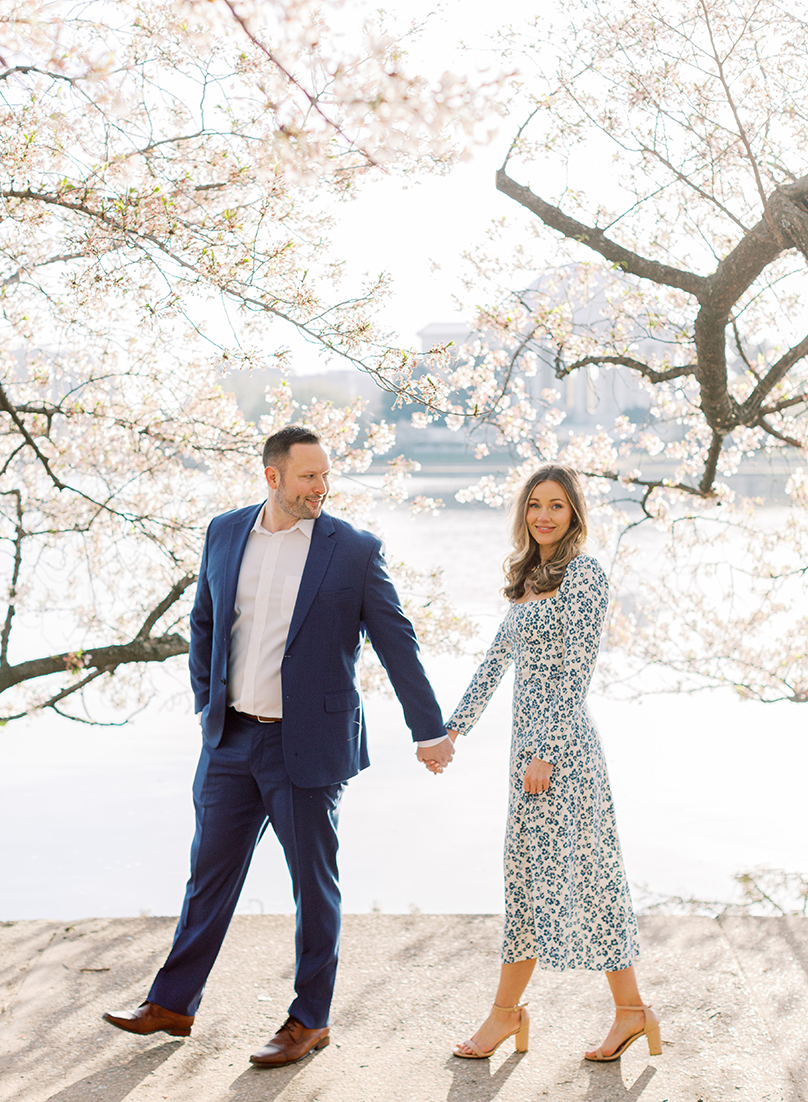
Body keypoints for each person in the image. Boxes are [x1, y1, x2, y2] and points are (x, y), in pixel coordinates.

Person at [103, 425, 454, 1067]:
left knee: (312, 888)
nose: (321, 487)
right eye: (307, 476)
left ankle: (309, 1019)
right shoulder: (225, 531)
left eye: (325, 476)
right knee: (207, 879)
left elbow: (397, 643)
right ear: (273, 476)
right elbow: (204, 623)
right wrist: (208, 705)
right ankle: (173, 1003)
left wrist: (427, 730)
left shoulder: (352, 549)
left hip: (307, 750)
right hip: (230, 741)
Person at [435, 464, 660, 1063]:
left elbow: (574, 672)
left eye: (556, 505)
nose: (543, 515)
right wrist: (452, 729)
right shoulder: (529, 577)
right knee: (554, 882)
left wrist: (545, 752)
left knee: (573, 883)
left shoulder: (584, 576)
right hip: (527, 757)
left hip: (561, 756)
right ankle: (630, 1012)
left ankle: (506, 1016)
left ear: (574, 513)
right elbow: (495, 660)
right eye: (535, 504)